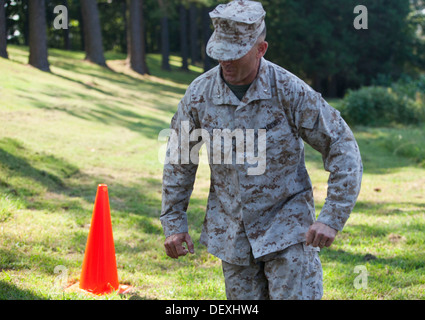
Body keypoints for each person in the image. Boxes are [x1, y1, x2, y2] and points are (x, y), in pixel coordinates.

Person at [160, 0, 362, 300]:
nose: (225, 62)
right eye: (220, 53)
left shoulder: (289, 91)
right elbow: (180, 160)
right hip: (232, 236)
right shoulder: (199, 95)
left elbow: (342, 146)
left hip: (289, 230)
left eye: (235, 54)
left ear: (261, 49)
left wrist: (332, 216)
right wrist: (174, 222)